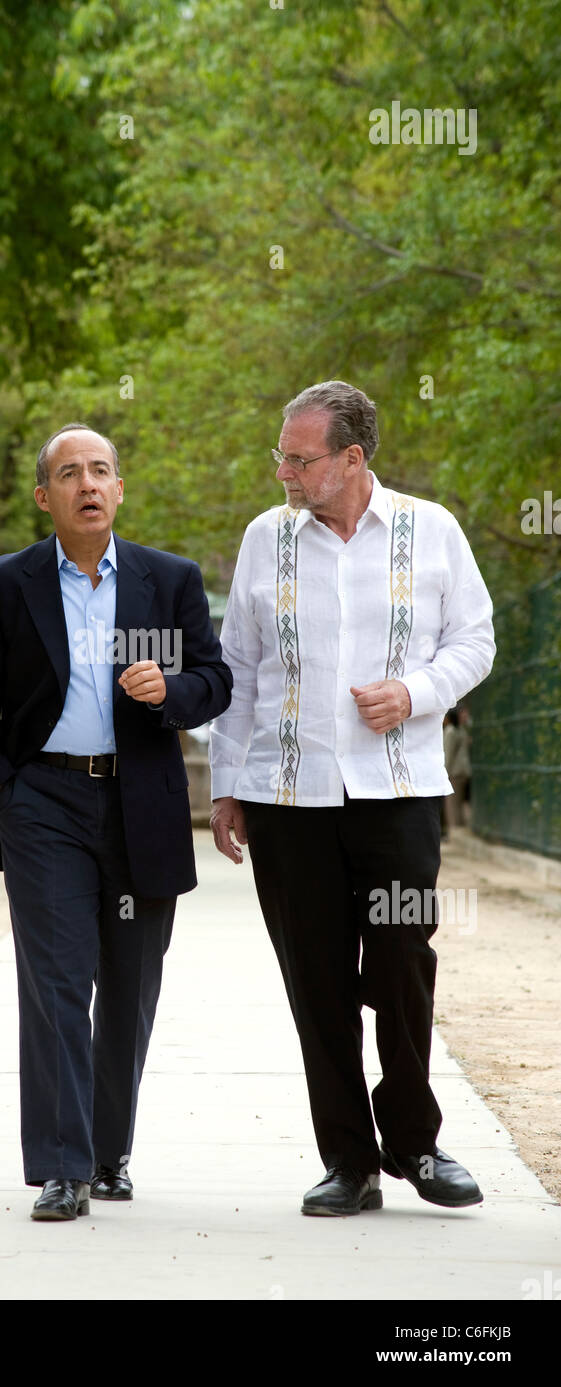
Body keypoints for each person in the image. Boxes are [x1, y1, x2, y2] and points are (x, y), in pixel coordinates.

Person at [209, 381, 495, 1217]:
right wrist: (228, 787)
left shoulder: (430, 529)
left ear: (351, 458)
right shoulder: (266, 539)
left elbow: (473, 638)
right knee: (317, 980)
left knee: (403, 960)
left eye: (299, 460)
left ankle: (414, 1141)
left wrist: (415, 691)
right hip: (287, 799)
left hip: (398, 793)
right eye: (280, 457)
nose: (283, 473)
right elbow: (239, 669)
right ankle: (349, 1161)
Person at [0, 422, 232, 1220]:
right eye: (69, 473)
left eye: (100, 470)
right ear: (46, 496)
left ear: (118, 488)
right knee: (58, 983)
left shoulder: (167, 579)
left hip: (138, 805)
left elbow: (215, 681)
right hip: (42, 805)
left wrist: (169, 693)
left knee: (130, 986)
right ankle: (62, 1168)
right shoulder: (5, 583)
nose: (88, 484)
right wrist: (1, 792)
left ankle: (110, 1155)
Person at [442, 707, 471, 831]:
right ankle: (461, 826)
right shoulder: (462, 731)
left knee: (452, 803)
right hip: (464, 770)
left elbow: (448, 754)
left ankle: (454, 829)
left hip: (454, 771)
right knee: (460, 802)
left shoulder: (450, 731)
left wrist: (444, 773)